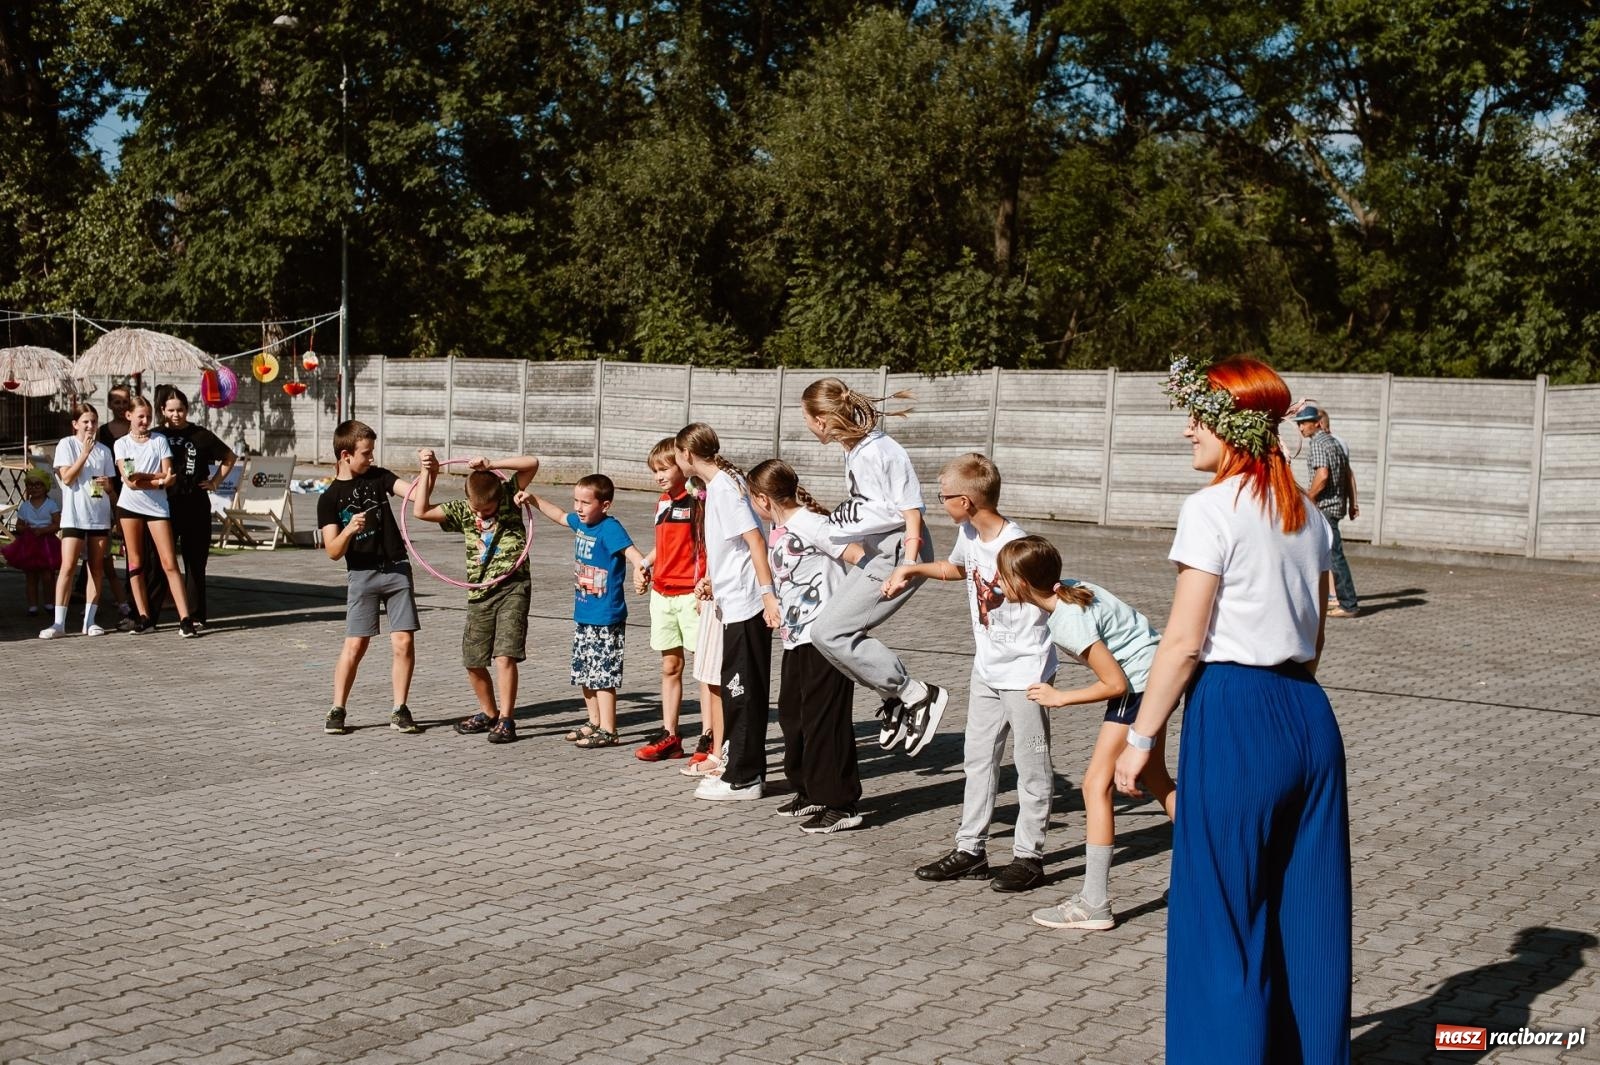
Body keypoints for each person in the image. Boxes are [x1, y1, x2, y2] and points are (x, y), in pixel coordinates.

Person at [1115, 355, 1349, 1064]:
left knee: (1222, 919)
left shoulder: (1211, 508)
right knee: (1310, 916)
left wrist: (1141, 736)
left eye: (1198, 414)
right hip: (1308, 713)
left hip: (1235, 710)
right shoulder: (1307, 513)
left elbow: (1184, 641)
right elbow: (1312, 642)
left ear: (1231, 425)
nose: (1187, 428)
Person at [886, 454, 1057, 892]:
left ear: (965, 500)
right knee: (978, 760)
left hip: (1026, 675)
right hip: (986, 670)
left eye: (943, 497)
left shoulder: (1017, 547)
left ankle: (1029, 857)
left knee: (1030, 765)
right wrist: (911, 568)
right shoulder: (969, 533)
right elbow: (957, 568)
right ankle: (971, 851)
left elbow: (1054, 603)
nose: (939, 503)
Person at [992, 535, 1176, 931]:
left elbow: (1115, 684)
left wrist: (1061, 698)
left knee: (1096, 785)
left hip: (1142, 688)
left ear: (1023, 585)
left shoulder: (1067, 620)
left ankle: (1094, 903)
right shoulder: (1073, 588)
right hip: (1157, 679)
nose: (996, 584)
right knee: (1156, 778)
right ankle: (1206, 877)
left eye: (1002, 578)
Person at [800, 378, 946, 756]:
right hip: (880, 551)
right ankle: (896, 697)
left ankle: (917, 695)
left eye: (806, 418)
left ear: (820, 420)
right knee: (823, 633)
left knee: (832, 632)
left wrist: (910, 565)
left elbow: (910, 510)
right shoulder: (854, 448)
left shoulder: (881, 451)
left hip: (900, 550)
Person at [748, 459, 866, 834]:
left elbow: (860, 559)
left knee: (825, 721)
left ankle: (841, 803)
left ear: (763, 498)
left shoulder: (813, 524)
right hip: (796, 636)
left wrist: (849, 611)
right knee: (793, 715)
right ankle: (809, 790)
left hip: (826, 638)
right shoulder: (779, 525)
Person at [673, 423, 782, 800]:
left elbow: (755, 540)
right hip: (730, 600)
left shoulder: (725, 487)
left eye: (676, 452)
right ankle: (738, 768)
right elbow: (731, 548)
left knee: (743, 689)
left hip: (747, 603)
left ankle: (746, 777)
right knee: (736, 689)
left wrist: (768, 594)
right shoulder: (719, 485)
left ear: (686, 454)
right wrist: (714, 584)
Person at [412, 448, 540, 744]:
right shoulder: (462, 510)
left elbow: (532, 463)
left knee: (505, 655)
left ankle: (507, 718)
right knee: (473, 659)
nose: (482, 514)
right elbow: (420, 511)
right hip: (480, 593)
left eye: (488, 510)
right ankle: (489, 712)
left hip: (513, 587)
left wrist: (492, 464)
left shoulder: (508, 496)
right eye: (477, 510)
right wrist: (426, 472)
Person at [316, 420, 422, 735]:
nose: (371, 458)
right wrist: (349, 529)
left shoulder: (379, 478)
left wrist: (427, 470)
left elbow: (414, 495)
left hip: (396, 568)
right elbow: (333, 551)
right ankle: (337, 708)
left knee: (403, 641)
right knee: (355, 645)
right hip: (361, 575)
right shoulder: (329, 498)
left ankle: (400, 709)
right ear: (346, 455)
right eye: (366, 453)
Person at [527, 474, 648, 749]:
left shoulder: (610, 528)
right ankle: (593, 722)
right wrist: (532, 498)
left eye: (586, 502)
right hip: (584, 614)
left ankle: (609, 729)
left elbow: (633, 553)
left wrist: (641, 572)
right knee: (585, 673)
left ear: (605, 505)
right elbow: (558, 514)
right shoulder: (582, 525)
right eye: (576, 501)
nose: (579, 508)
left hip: (606, 617)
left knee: (603, 676)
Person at [632, 438, 706, 762]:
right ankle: (671, 735)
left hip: (692, 595)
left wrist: (706, 586)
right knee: (670, 666)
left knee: (705, 669)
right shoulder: (663, 502)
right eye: (655, 471)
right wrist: (643, 565)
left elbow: (707, 547)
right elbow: (663, 546)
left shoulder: (698, 501)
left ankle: (710, 737)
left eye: (665, 468)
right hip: (662, 595)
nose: (659, 476)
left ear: (682, 465)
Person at [146, 388, 236, 630]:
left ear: (187, 409)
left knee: (195, 563)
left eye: (181, 410)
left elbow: (229, 457)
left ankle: (195, 614)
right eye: (171, 410)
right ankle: (149, 615)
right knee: (157, 562)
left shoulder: (201, 435)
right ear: (163, 411)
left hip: (195, 504)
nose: (176, 415)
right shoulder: (155, 436)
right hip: (163, 506)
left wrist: (216, 481)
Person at [113, 396, 198, 637]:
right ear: (129, 416)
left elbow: (169, 474)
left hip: (157, 509)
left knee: (169, 562)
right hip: (129, 507)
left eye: (148, 417)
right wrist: (157, 481)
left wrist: (150, 478)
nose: (145, 421)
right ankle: (143, 616)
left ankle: (185, 618)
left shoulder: (159, 440)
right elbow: (130, 482)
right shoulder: (122, 444)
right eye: (140, 416)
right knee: (136, 562)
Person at [39, 403, 117, 638]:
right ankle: (59, 623)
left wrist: (108, 486)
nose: (90, 426)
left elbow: (111, 486)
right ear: (75, 424)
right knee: (68, 566)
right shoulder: (66, 445)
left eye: (93, 421)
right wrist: (84, 453)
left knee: (96, 567)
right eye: (85, 421)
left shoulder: (104, 450)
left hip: (99, 516)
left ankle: (90, 620)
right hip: (74, 515)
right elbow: (68, 478)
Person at [1294, 404, 1359, 617]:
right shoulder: (1333, 443)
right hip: (1335, 505)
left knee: (1334, 556)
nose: (1301, 428)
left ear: (1317, 423)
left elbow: (1322, 476)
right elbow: (1346, 475)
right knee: (1325, 555)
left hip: (1325, 507)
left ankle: (1348, 604)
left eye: (1304, 423)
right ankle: (1330, 599)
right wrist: (1350, 503)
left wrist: (1308, 499)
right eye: (1299, 424)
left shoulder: (1318, 444)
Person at [5, 470, 61, 615]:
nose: (34, 488)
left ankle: (49, 602)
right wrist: (25, 529)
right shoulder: (24, 506)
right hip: (29, 543)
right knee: (30, 576)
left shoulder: (51, 504)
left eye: (38, 485)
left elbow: (57, 523)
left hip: (47, 543)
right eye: (30, 485)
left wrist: (43, 530)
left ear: (45, 487)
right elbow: (18, 525)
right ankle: (32, 605)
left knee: (48, 576)